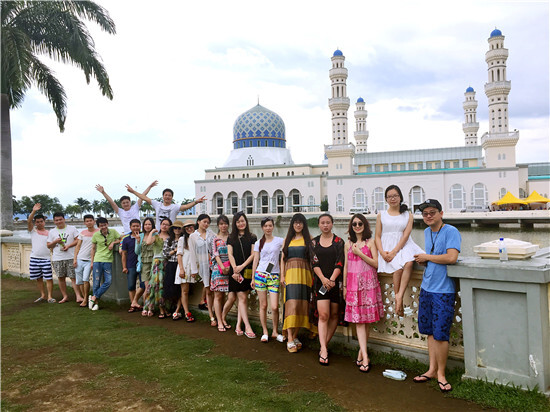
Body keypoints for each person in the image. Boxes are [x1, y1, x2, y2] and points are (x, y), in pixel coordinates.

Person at [413, 199, 461, 394]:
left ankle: (442, 374)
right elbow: (435, 256)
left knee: (441, 333)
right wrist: (424, 262)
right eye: (425, 214)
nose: (428, 216)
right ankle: (431, 370)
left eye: (432, 212)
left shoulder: (451, 231)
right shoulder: (426, 232)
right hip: (427, 287)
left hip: (443, 290)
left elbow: (451, 257)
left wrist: (427, 257)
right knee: (430, 331)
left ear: (441, 213)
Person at [375, 185, 424, 317]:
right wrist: (382, 252)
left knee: (408, 263)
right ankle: (399, 299)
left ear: (400, 197)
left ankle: (399, 297)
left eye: (395, 196)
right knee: (398, 268)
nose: (393, 199)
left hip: (404, 245)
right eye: (390, 196)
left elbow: (406, 236)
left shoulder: (408, 215)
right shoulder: (381, 215)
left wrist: (394, 252)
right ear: (386, 199)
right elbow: (377, 236)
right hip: (386, 247)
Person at [343, 214, 383, 373]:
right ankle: (365, 356)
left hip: (368, 283)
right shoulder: (348, 244)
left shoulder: (370, 242)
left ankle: (362, 353)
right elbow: (346, 266)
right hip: (353, 284)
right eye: (354, 224)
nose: (357, 226)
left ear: (365, 225)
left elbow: (376, 263)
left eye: (360, 223)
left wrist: (360, 253)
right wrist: (344, 286)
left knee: (365, 320)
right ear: (351, 227)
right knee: (359, 321)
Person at [311, 213, 345, 365]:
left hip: (335, 283)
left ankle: (323, 344)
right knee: (323, 315)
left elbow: (340, 262)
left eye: (328, 222)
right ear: (319, 225)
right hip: (320, 284)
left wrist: (331, 279)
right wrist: (324, 279)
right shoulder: (314, 243)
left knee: (334, 315)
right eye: (322, 223)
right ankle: (324, 349)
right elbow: (314, 263)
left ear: (332, 224)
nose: (325, 225)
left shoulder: (339, 242)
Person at [281, 213, 316, 352]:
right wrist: (282, 276)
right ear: (292, 224)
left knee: (302, 305)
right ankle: (289, 337)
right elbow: (282, 259)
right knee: (292, 305)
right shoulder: (287, 239)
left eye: (300, 222)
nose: (298, 225)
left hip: (305, 275)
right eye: (295, 222)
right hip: (290, 274)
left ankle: (295, 336)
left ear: (304, 225)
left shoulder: (310, 239)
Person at [222, 211, 257, 337]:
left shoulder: (252, 236)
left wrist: (242, 266)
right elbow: (229, 254)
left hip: (246, 270)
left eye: (242, 221)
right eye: (238, 222)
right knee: (241, 298)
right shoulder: (231, 237)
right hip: (235, 271)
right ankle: (247, 327)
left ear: (246, 222)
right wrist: (235, 268)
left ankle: (238, 325)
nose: (241, 223)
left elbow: (253, 254)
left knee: (243, 299)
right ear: (235, 224)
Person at [252, 216, 284, 342]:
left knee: (275, 306)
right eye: (266, 226)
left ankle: (275, 331)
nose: (268, 228)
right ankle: (265, 331)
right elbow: (256, 259)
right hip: (260, 274)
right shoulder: (258, 243)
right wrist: (253, 278)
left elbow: (292, 242)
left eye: (270, 225)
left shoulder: (279, 240)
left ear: (273, 227)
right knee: (263, 305)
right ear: (262, 228)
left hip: (274, 275)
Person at [125, 184, 206, 230]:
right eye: (166, 195)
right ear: (163, 196)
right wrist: (133, 192)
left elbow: (186, 206)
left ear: (172, 197)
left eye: (169, 195)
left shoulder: (174, 207)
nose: (167, 197)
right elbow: (144, 198)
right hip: (158, 232)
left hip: (170, 232)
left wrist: (196, 202)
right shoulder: (157, 204)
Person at [47, 211, 81, 303]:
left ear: (64, 219)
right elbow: (49, 245)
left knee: (73, 277)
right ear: (54, 221)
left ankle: (78, 296)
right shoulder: (52, 231)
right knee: (61, 278)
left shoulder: (72, 228)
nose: (59, 221)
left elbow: (78, 240)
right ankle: (65, 296)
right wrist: (55, 242)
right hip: (57, 258)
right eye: (56, 220)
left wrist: (69, 246)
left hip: (70, 256)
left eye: (60, 219)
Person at [89, 217, 122, 310]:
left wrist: (113, 243)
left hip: (108, 260)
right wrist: (92, 262)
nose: (103, 227)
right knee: (96, 282)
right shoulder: (96, 235)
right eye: (101, 225)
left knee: (108, 281)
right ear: (98, 226)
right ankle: (95, 303)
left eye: (104, 225)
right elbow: (93, 249)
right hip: (97, 260)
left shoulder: (113, 232)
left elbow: (121, 239)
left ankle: (93, 297)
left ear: (107, 224)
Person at [189, 214, 216, 325]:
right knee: (208, 290)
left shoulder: (211, 234)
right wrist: (194, 270)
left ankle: (215, 310)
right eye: (204, 221)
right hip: (203, 266)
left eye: (208, 222)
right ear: (198, 222)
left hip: (213, 265)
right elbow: (192, 254)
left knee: (215, 290)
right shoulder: (193, 236)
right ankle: (211, 316)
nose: (206, 224)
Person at [144, 217, 171, 318]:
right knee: (156, 286)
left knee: (165, 286)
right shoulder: (156, 236)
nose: (164, 226)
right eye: (163, 224)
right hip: (156, 263)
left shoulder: (170, 237)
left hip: (166, 263)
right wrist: (152, 232)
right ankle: (159, 308)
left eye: (167, 224)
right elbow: (148, 242)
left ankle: (165, 307)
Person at [28, 203, 55, 303]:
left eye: (41, 221)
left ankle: (50, 296)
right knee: (38, 278)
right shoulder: (33, 231)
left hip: (46, 259)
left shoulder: (50, 233)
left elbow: (53, 244)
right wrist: (34, 211)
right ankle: (43, 295)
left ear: (44, 222)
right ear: (35, 223)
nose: (39, 223)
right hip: (34, 258)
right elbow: (29, 220)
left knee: (48, 278)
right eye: (37, 222)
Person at [210, 214, 232, 331]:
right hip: (218, 269)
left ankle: (224, 318)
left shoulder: (232, 237)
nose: (224, 226)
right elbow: (215, 254)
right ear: (218, 225)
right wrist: (222, 266)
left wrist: (230, 267)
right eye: (221, 224)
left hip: (230, 268)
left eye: (225, 223)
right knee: (218, 295)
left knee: (229, 296)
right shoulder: (215, 239)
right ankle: (219, 321)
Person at [174, 219, 199, 321]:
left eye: (191, 226)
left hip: (193, 268)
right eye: (187, 227)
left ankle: (177, 310)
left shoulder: (197, 238)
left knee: (186, 291)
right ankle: (186, 312)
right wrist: (181, 270)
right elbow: (179, 255)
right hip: (184, 267)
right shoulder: (182, 239)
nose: (189, 228)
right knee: (184, 291)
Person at [73, 214, 98, 307]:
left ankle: (86, 299)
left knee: (85, 280)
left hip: (90, 260)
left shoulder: (98, 232)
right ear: (84, 223)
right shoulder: (82, 233)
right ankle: (85, 299)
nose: (89, 222)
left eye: (90, 220)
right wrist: (75, 259)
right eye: (87, 221)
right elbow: (78, 246)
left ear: (94, 221)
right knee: (79, 281)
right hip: (80, 259)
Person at [121, 219, 145, 312]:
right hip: (130, 265)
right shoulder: (126, 239)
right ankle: (133, 305)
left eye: (137, 226)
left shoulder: (144, 237)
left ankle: (140, 303)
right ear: (130, 227)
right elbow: (124, 254)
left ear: (140, 226)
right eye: (133, 226)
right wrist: (124, 266)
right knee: (131, 286)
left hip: (143, 264)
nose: (136, 227)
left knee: (143, 285)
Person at [163, 220, 183, 316]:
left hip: (181, 265)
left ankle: (177, 310)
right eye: (175, 228)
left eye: (179, 228)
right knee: (168, 288)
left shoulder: (184, 239)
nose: (177, 230)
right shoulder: (168, 240)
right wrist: (175, 250)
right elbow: (165, 254)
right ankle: (167, 308)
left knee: (180, 289)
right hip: (171, 265)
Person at [136, 217, 155, 316]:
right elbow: (137, 251)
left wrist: (152, 232)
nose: (147, 226)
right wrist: (138, 241)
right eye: (146, 224)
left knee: (153, 287)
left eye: (149, 224)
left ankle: (151, 308)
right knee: (147, 287)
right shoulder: (141, 235)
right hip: (144, 263)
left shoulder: (155, 235)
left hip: (154, 263)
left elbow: (150, 243)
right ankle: (145, 307)